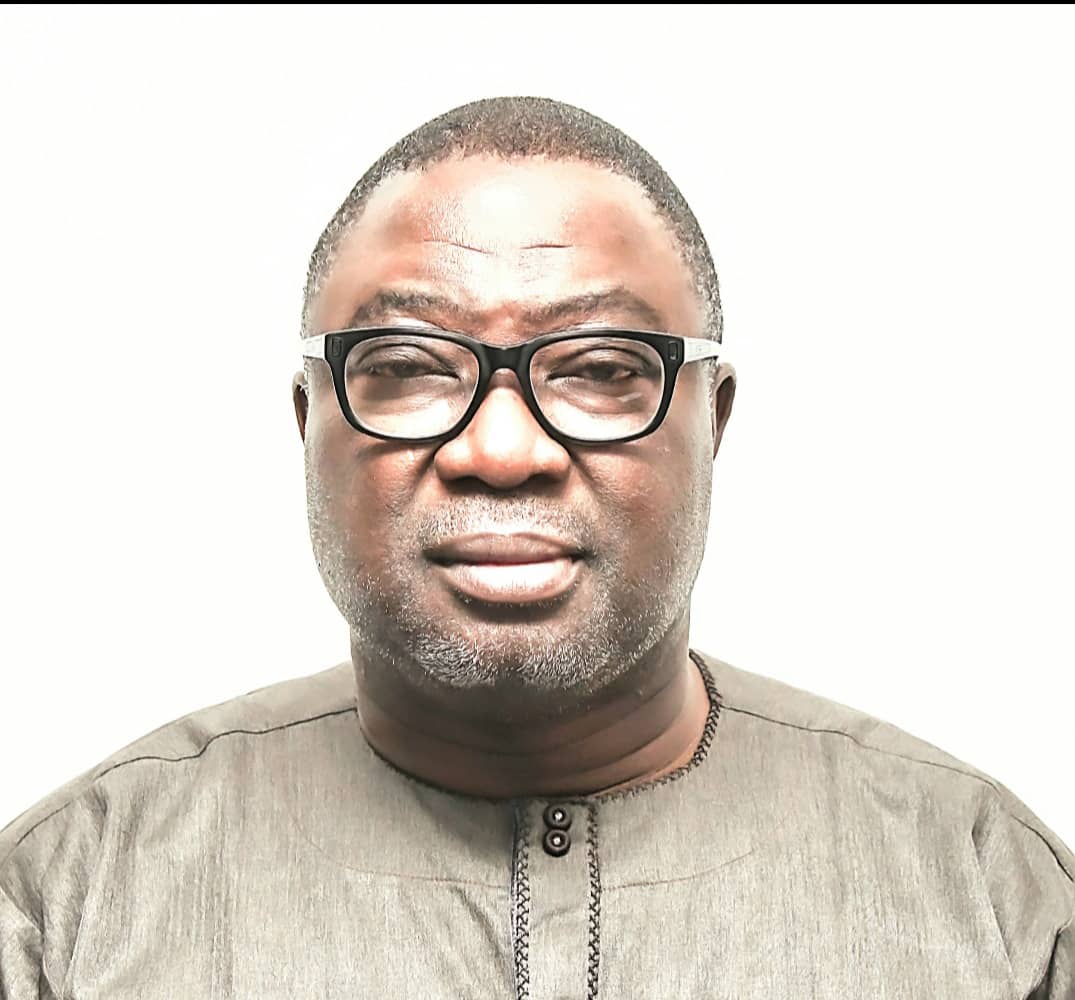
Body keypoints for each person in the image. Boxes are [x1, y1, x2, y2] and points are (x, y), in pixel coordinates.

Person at [1, 95, 1071, 999]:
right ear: (307, 421)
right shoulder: (70, 904)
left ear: (712, 420)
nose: (502, 451)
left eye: (601, 369)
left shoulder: (988, 894)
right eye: (406, 365)